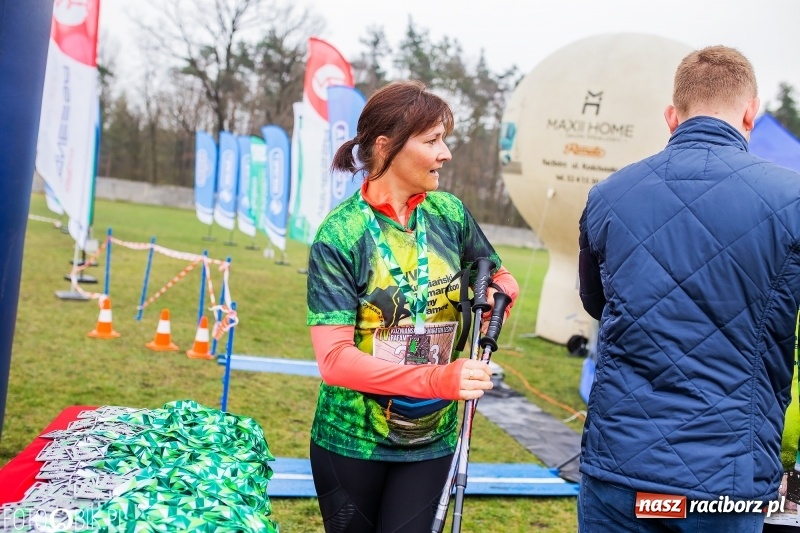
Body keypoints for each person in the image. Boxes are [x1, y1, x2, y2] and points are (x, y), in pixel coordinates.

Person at [577, 45, 800, 532]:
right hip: (728, 475)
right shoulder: (792, 200)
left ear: (671, 115)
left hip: (622, 461)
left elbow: (595, 302)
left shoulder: (609, 194)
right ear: (750, 113)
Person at [305, 80, 519, 533]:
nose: (446, 153)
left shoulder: (448, 214)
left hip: (432, 440)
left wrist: (500, 293)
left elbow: (496, 272)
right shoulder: (340, 235)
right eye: (432, 140)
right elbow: (335, 361)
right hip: (353, 441)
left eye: (444, 139)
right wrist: (439, 378)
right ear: (386, 147)